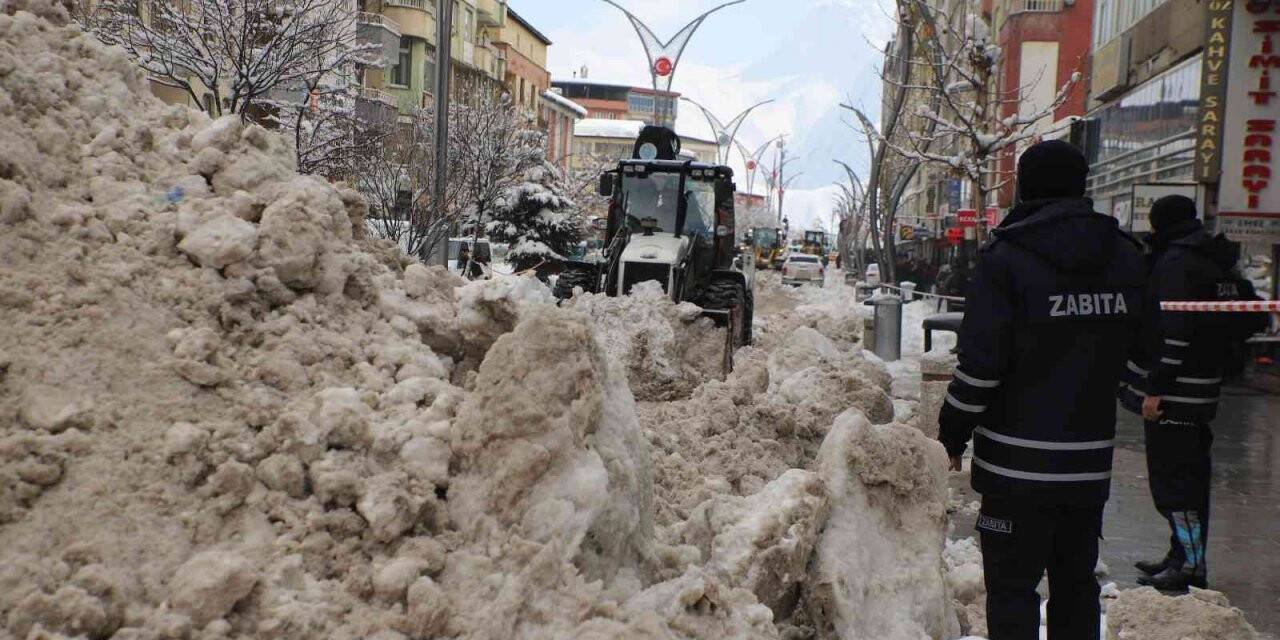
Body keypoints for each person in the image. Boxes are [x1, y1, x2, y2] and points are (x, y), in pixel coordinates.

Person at [937, 140, 1146, 640]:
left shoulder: (1005, 259)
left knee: (1012, 591)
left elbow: (982, 368)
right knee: (1076, 586)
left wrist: (950, 433)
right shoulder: (1125, 255)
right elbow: (1144, 354)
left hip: (1014, 471)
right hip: (1088, 468)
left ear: (1026, 187)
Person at [1119, 195, 1243, 592]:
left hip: (1176, 395)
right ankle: (1181, 554)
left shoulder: (1176, 263)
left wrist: (1156, 389)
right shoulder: (1213, 258)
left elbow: (1173, 332)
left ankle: (1190, 563)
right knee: (1188, 480)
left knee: (1175, 486)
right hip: (1203, 388)